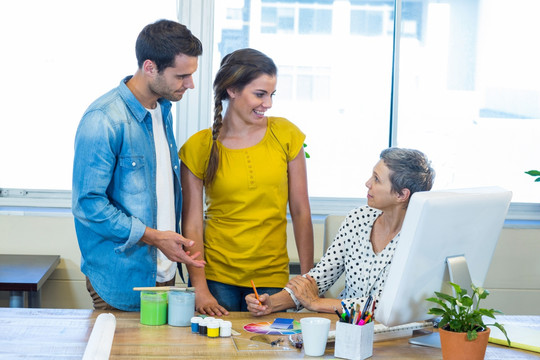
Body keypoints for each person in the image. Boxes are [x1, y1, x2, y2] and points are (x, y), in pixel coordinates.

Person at [72, 19, 205, 311]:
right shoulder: (103, 119)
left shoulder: (162, 109)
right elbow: (88, 205)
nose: (190, 84)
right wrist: (155, 238)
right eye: (181, 76)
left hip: (163, 272)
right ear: (149, 68)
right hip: (121, 278)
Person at [180, 48, 314, 315]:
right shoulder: (199, 147)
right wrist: (200, 288)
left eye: (272, 94)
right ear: (232, 90)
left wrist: (307, 280)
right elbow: (192, 225)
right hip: (217, 279)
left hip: (272, 277)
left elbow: (301, 211)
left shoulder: (286, 135)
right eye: (260, 94)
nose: (269, 103)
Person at [246, 147, 435, 317]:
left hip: (392, 339)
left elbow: (386, 307)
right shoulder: (358, 218)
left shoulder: (420, 240)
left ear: (401, 195)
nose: (367, 183)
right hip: (343, 328)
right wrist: (271, 303)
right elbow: (318, 278)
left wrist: (317, 303)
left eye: (377, 179)